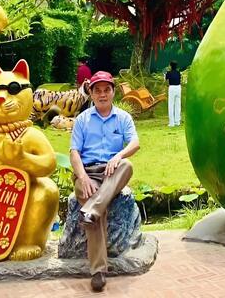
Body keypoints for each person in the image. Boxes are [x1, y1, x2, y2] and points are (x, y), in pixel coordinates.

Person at [70, 71, 140, 292]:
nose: (102, 94)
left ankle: (91, 209)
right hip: (88, 172)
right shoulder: (82, 120)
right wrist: (82, 176)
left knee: (127, 166)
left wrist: (118, 156)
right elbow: (74, 152)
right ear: (91, 93)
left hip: (111, 170)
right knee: (92, 206)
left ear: (113, 92)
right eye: (97, 90)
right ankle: (98, 271)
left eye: (106, 90)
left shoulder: (122, 118)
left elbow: (135, 142)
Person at [165, 61, 182, 127]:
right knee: (178, 104)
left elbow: (166, 80)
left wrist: (165, 75)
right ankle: (177, 122)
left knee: (171, 105)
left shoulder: (168, 73)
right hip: (178, 87)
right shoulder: (178, 73)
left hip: (172, 88)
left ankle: (171, 123)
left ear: (171, 66)